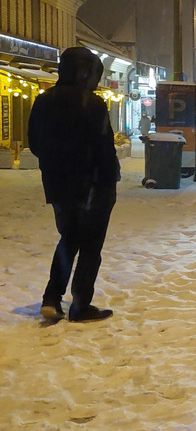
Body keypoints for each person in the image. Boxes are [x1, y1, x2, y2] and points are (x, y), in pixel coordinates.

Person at [28, 47, 120, 322]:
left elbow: (35, 144)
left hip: (58, 186)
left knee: (69, 239)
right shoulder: (92, 103)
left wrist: (57, 164)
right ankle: (80, 305)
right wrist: (108, 179)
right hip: (93, 186)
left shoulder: (43, 101)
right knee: (91, 247)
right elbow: (104, 148)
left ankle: (52, 299)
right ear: (85, 73)